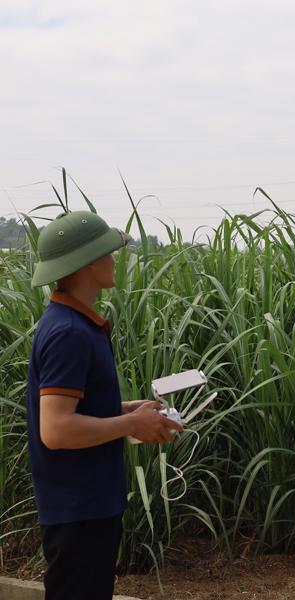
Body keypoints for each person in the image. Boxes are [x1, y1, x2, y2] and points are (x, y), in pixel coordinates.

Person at [26, 210, 183, 600]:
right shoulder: (69, 333)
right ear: (89, 263)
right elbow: (57, 429)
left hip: (84, 503)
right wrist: (130, 426)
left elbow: (71, 407)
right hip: (78, 507)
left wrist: (127, 409)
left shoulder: (72, 323)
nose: (115, 261)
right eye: (109, 254)